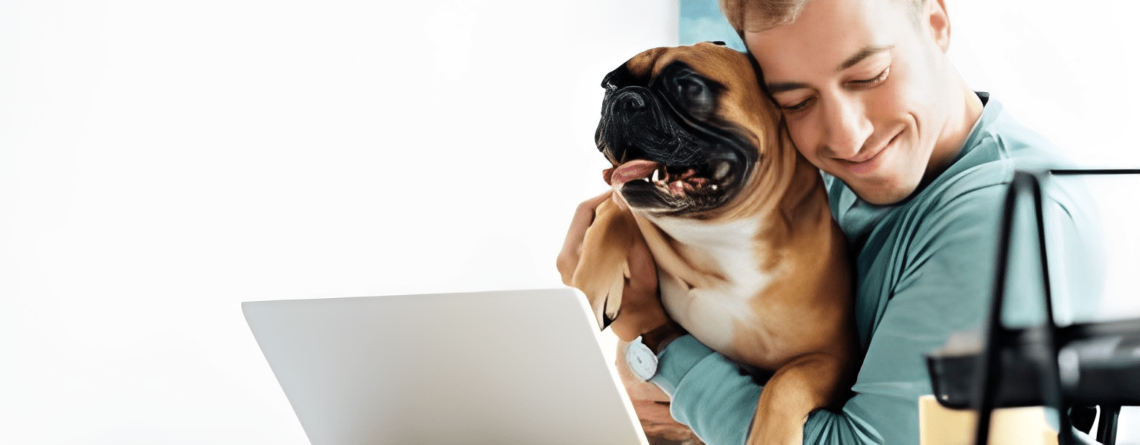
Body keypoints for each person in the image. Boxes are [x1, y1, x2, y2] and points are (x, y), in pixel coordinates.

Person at [558, 0, 1106, 443]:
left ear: (937, 24)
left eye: (870, 75)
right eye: (795, 102)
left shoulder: (1004, 216)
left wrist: (654, 340)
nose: (845, 137)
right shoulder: (823, 170)